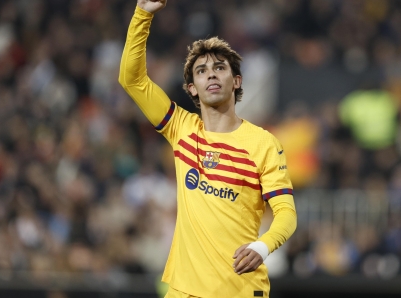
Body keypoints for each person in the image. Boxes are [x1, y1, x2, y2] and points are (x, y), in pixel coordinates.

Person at [119, 1, 297, 297]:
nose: (211, 74)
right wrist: (142, 15)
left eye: (219, 67)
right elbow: (132, 79)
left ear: (236, 81)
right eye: (201, 71)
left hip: (239, 289)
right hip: (183, 290)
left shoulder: (263, 143)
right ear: (192, 88)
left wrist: (263, 246)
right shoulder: (181, 128)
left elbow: (287, 214)